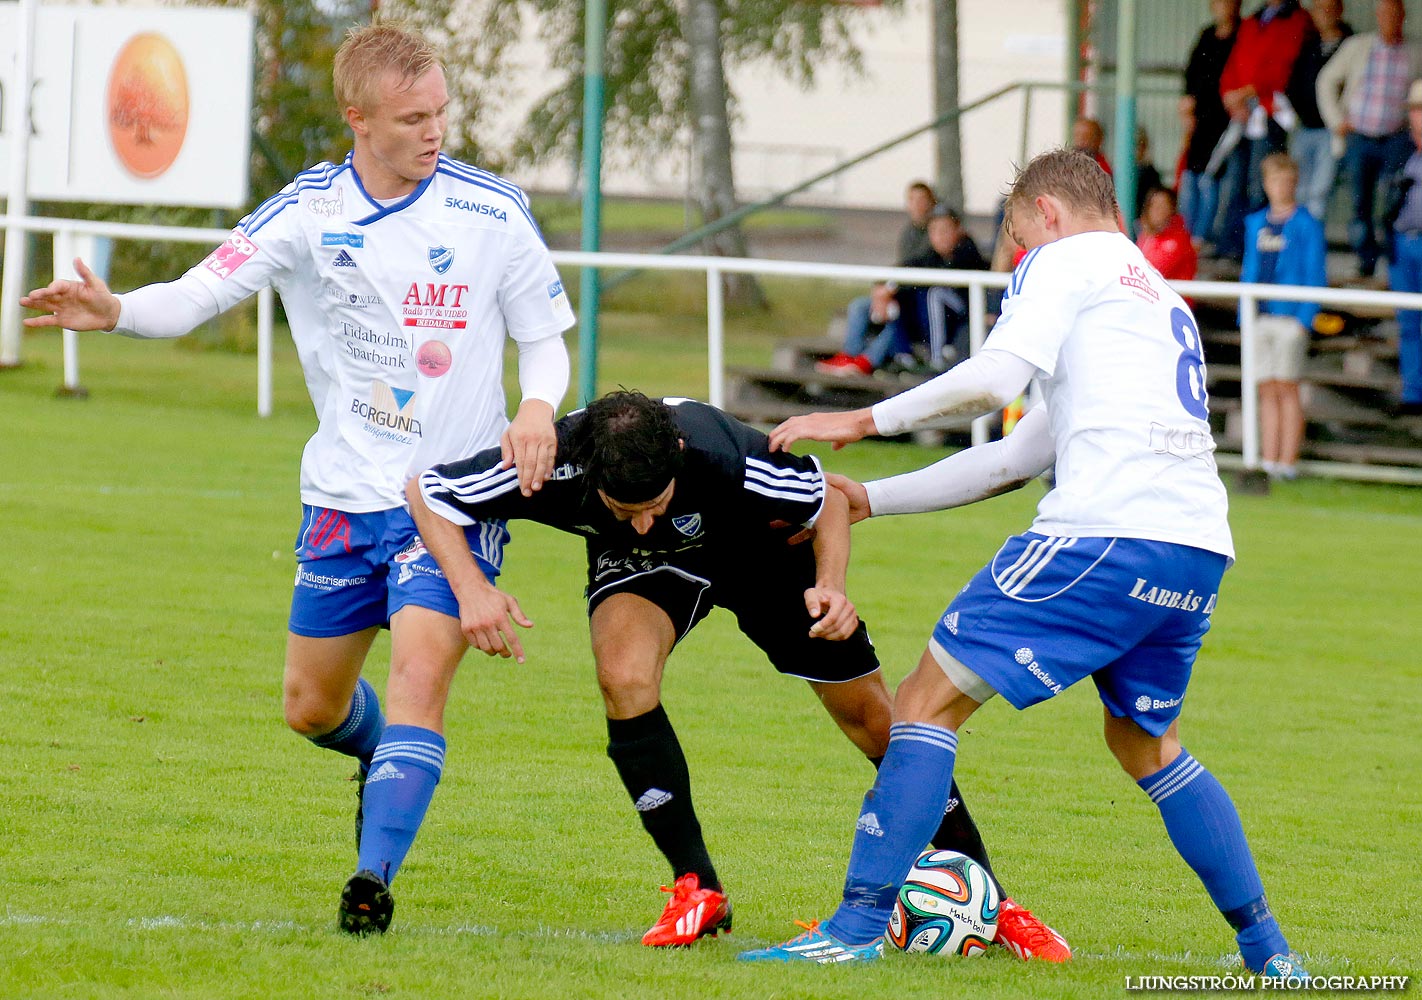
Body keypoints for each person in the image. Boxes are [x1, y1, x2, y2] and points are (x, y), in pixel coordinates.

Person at [19, 23, 575, 936]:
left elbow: (542, 338)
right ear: (356, 118)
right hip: (342, 496)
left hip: (454, 498)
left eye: (441, 112)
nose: (435, 132)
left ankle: (372, 879)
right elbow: (198, 293)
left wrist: (538, 405)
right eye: (411, 118)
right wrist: (117, 310)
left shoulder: (493, 211)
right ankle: (380, 755)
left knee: (418, 681)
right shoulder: (308, 211)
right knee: (310, 708)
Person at [737, 149, 1307, 980]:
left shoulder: (1065, 261)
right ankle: (1270, 952)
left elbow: (992, 378)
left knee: (922, 705)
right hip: (1193, 552)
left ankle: (855, 926)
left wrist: (863, 417)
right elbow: (1018, 454)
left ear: (1046, 211)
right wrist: (873, 500)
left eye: (1014, 238)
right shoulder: (1156, 296)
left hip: (1102, 535)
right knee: (1148, 745)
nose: (1015, 259)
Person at [405, 391, 1069, 959]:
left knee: (879, 724)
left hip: (763, 557)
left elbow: (829, 501)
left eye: (656, 504)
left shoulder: (728, 456)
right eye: (621, 508)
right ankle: (698, 889)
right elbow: (428, 491)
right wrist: (470, 590)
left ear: (679, 465)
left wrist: (832, 589)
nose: (642, 521)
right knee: (624, 679)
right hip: (648, 570)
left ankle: (993, 899)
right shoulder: (551, 462)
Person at [1316, 0, 1422, 278]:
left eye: (1395, 14)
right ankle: (1365, 264)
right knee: (1359, 203)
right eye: (1385, 14)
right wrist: (1337, 121)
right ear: (1378, 16)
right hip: (1359, 137)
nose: (1390, 20)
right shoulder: (1359, 46)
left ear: (1403, 17)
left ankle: (1393, 267)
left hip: (1396, 140)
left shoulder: (1415, 51)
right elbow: (1325, 80)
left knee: (1392, 203)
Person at [1241, 153, 1327, 480]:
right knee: (1265, 388)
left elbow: (1315, 272)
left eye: (1286, 181)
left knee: (1287, 387)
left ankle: (1287, 462)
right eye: (1274, 181)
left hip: (1290, 317)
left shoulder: (1306, 225)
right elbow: (1250, 268)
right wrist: (1245, 315)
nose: (1280, 187)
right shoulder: (1256, 224)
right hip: (1260, 315)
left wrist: (1304, 319)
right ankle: (1268, 458)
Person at [1213, 0, 1314, 262]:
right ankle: (1231, 247)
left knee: (1261, 184)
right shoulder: (1252, 20)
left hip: (1270, 112)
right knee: (1235, 181)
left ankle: (1255, 249)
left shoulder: (1297, 19)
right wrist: (1230, 97)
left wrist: (1247, 92)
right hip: (1242, 115)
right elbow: (1234, 64)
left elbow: (1284, 64)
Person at [818, 181, 937, 375]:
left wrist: (890, 290)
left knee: (894, 315)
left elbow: (921, 267)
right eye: (911, 199)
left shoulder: (934, 232)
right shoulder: (909, 232)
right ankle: (849, 354)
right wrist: (882, 287)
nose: (916, 205)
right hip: (901, 290)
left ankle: (867, 361)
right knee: (859, 306)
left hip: (917, 298)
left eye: (921, 200)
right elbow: (903, 267)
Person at [877, 205, 989, 373]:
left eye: (945, 230)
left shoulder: (967, 253)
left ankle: (937, 360)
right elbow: (906, 268)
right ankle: (904, 357)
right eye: (934, 231)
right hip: (936, 317)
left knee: (935, 293)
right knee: (899, 296)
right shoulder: (930, 256)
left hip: (965, 315)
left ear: (958, 230)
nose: (939, 236)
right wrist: (884, 287)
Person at [1180, 0, 1242, 247]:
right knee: (1190, 174)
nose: (1224, 7)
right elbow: (1192, 72)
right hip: (1201, 117)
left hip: (1226, 119)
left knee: (1210, 177)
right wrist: (1187, 102)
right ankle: (1187, 233)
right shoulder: (1207, 35)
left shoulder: (1242, 34)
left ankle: (1201, 236)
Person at [1286, 0, 1353, 222]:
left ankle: (1310, 243)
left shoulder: (1351, 44)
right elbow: (1293, 84)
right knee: (1298, 189)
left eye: (1329, 8)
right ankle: (1299, 241)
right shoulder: (1307, 45)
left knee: (1319, 191)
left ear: (1339, 10)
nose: (1324, 14)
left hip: (1332, 130)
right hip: (1305, 128)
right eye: (1319, 9)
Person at [1387, 80, 1422, 417]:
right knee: (1408, 322)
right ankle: (1413, 393)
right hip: (1404, 242)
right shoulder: (1401, 149)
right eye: (1416, 109)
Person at [1138, 187, 1200, 284]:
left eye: (1162, 205)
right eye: (1153, 205)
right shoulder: (1146, 236)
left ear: (1171, 209)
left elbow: (1155, 271)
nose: (1157, 210)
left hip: (1175, 296)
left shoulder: (1179, 239)